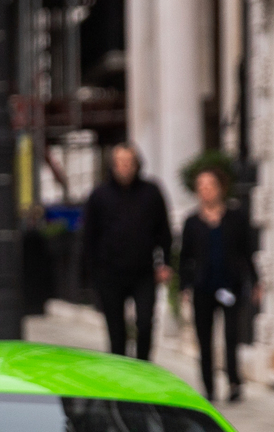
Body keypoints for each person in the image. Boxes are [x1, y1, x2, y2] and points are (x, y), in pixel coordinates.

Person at [79, 143, 172, 360]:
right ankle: (122, 384)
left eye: (129, 162)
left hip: (143, 272)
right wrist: (90, 274)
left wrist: (165, 262)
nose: (124, 167)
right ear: (112, 166)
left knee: (146, 324)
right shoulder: (99, 195)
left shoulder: (151, 192)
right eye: (120, 163)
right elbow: (89, 238)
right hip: (109, 273)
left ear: (137, 164)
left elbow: (164, 231)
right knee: (116, 332)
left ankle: (143, 370)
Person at [178, 163, 258, 402]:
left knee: (232, 336)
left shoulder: (236, 217)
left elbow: (248, 251)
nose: (206, 190)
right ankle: (209, 387)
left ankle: (234, 382)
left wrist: (255, 281)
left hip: (230, 285)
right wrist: (184, 286)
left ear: (221, 188)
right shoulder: (191, 222)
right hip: (203, 287)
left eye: (210, 185)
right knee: (205, 339)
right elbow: (185, 257)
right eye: (201, 186)